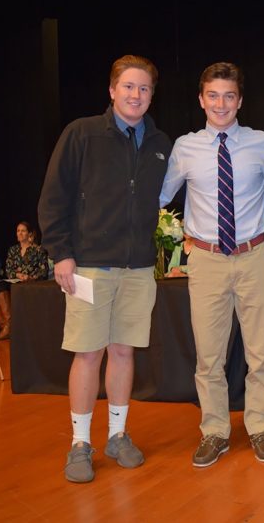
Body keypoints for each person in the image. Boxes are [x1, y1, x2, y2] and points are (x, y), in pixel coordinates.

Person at [38, 55, 171, 483]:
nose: (136, 95)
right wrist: (61, 252)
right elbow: (54, 196)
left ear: (152, 94)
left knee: (123, 351)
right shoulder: (81, 134)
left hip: (136, 268)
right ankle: (80, 443)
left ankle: (118, 434)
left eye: (145, 88)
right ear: (112, 90)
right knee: (88, 353)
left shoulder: (159, 144)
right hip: (88, 267)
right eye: (129, 86)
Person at [159, 62, 264, 468]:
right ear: (201, 100)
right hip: (207, 261)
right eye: (213, 95)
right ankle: (214, 432)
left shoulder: (262, 144)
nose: (221, 103)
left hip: (255, 256)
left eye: (229, 96)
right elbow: (157, 197)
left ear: (240, 100)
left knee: (261, 352)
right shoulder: (184, 148)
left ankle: (261, 426)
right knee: (209, 356)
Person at [0, 221, 49, 340]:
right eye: (18, 231)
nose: (19, 233)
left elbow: (43, 271)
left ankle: (9, 328)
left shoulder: (38, 249)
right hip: (15, 281)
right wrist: (17, 274)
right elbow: (9, 269)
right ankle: (7, 326)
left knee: (0, 286)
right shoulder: (13, 250)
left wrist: (30, 277)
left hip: (31, 282)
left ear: (29, 233)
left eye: (23, 231)